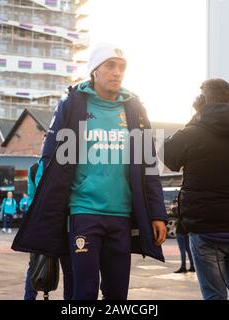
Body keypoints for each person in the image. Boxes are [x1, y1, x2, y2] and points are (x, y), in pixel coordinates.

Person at [13, 44, 168, 300]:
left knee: (117, 294)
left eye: (121, 67)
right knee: (83, 292)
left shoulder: (135, 109)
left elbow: (148, 164)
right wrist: (45, 210)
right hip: (83, 211)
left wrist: (157, 213)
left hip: (121, 215)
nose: (117, 72)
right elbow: (50, 159)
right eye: (110, 65)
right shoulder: (73, 104)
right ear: (94, 71)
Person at [163, 78, 229, 300]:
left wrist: (196, 116)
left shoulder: (194, 132)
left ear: (203, 101)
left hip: (207, 229)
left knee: (214, 295)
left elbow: (167, 155)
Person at [172, 197, 195, 273]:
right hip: (186, 230)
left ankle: (183, 267)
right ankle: (192, 266)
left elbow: (176, 215)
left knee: (182, 250)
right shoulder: (188, 208)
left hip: (180, 231)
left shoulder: (178, 208)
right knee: (188, 249)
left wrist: (174, 208)